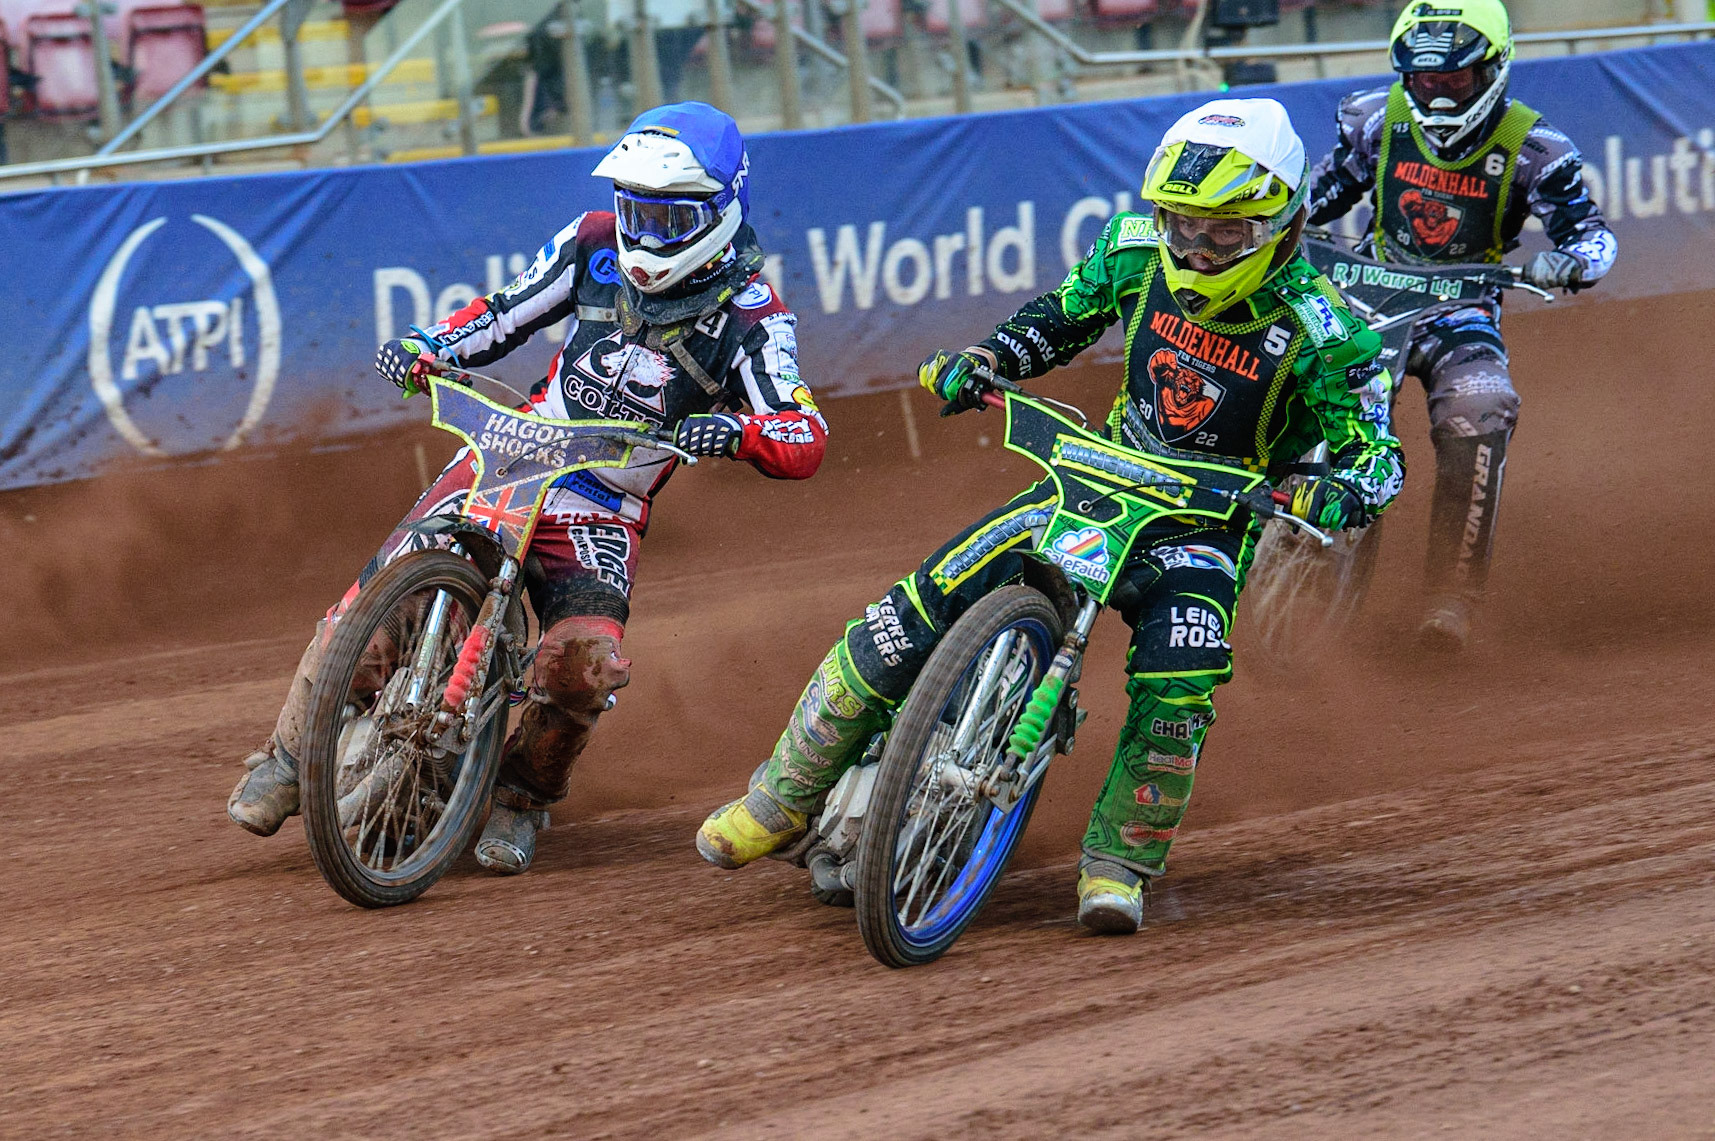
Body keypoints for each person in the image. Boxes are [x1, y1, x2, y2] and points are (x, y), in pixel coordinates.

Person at [696, 98, 1404, 934]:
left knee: (1177, 686)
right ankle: (780, 796)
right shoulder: (1134, 253)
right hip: (1095, 479)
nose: (1194, 248)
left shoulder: (1326, 331)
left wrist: (1338, 488)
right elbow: (1060, 319)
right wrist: (987, 359)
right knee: (907, 611)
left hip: (1204, 522)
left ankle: (1118, 862)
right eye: (1180, 224)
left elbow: (1378, 455)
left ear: (1281, 221)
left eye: (1222, 234)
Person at [228, 102, 827, 874]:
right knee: (376, 603)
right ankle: (286, 755)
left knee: (583, 666)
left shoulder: (753, 317)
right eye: (636, 207)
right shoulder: (591, 243)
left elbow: (801, 430)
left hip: (602, 502)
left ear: (720, 209)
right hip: (513, 450)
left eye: (669, 215)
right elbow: (503, 313)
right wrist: (429, 346)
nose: (646, 229)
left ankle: (520, 796)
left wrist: (741, 432)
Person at [1307, 0, 1617, 650]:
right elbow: (1314, 197)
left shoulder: (1536, 150)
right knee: (1306, 376)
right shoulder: (1374, 121)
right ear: (1405, 76)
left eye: (1453, 81)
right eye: (1425, 82)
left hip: (1462, 307)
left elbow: (1591, 236)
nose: (1438, 95)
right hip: (1370, 296)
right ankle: (1260, 529)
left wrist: (1569, 261)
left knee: (1480, 407)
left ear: (1491, 71)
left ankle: (1449, 598)